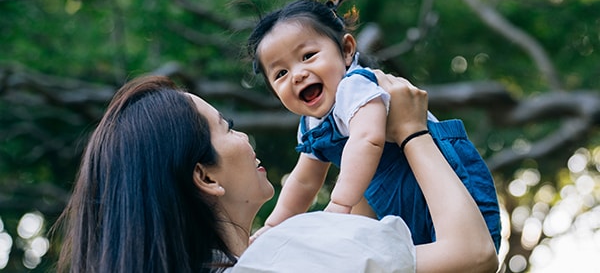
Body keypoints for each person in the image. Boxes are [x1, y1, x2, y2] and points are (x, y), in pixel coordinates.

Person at [53, 72, 498, 273]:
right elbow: (474, 255)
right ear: (206, 178)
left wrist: (363, 138)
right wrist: (412, 132)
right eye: (226, 128)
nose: (244, 136)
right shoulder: (291, 254)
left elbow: (366, 237)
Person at [246, 0, 501, 250]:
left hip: (449, 176)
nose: (297, 74)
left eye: (308, 56)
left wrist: (340, 204)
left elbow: (367, 139)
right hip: (397, 199)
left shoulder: (355, 87)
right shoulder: (312, 125)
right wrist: (274, 226)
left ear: (346, 51)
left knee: (461, 250)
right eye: (281, 73)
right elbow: (304, 180)